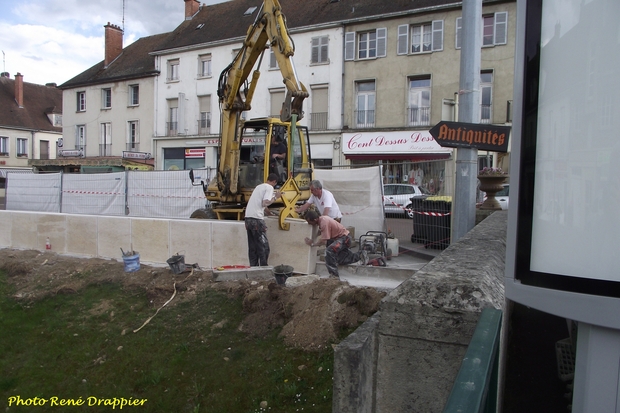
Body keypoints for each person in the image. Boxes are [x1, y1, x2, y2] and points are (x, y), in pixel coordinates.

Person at [303, 210, 367, 278]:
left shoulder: (323, 222)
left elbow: (324, 241)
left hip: (344, 238)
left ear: (315, 219)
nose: (309, 224)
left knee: (329, 251)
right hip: (338, 238)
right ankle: (360, 255)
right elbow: (322, 232)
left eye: (309, 222)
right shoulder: (322, 220)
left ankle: (334, 276)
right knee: (340, 259)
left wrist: (312, 244)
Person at [244, 173, 281, 266]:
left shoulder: (258, 187)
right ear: (274, 182)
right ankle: (263, 268)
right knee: (264, 247)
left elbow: (260, 204)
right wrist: (275, 197)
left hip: (248, 219)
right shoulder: (269, 187)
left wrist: (269, 213)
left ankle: (253, 268)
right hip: (257, 220)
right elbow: (265, 203)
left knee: (253, 247)